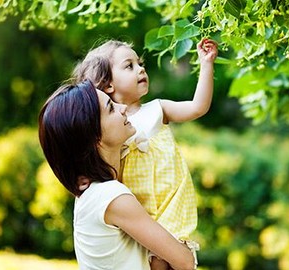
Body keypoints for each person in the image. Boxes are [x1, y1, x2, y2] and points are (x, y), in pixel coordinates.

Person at [72, 38, 218, 269]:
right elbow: (98, 168)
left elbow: (198, 107)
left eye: (140, 63)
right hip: (139, 211)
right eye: (129, 66)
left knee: (171, 256)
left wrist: (206, 64)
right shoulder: (108, 129)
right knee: (156, 262)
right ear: (108, 84)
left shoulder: (158, 109)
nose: (141, 69)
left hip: (170, 201)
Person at [38, 80, 196, 270]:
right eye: (111, 108)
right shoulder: (111, 196)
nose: (122, 108)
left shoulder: (95, 194)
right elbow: (184, 262)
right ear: (94, 136)